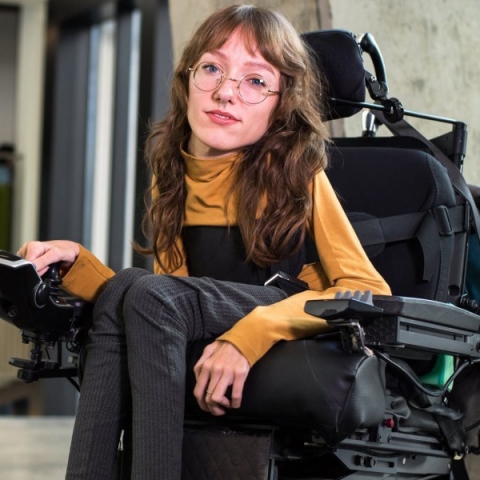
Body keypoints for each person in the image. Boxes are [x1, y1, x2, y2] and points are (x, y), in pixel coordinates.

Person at [18, 4, 391, 479]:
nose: (225, 92)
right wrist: (79, 268)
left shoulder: (298, 173)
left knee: (147, 295)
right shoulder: (173, 172)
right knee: (124, 293)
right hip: (195, 311)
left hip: (283, 310)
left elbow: (367, 289)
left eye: (255, 81)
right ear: (187, 80)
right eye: (212, 68)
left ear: (282, 103)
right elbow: (165, 298)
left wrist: (252, 333)